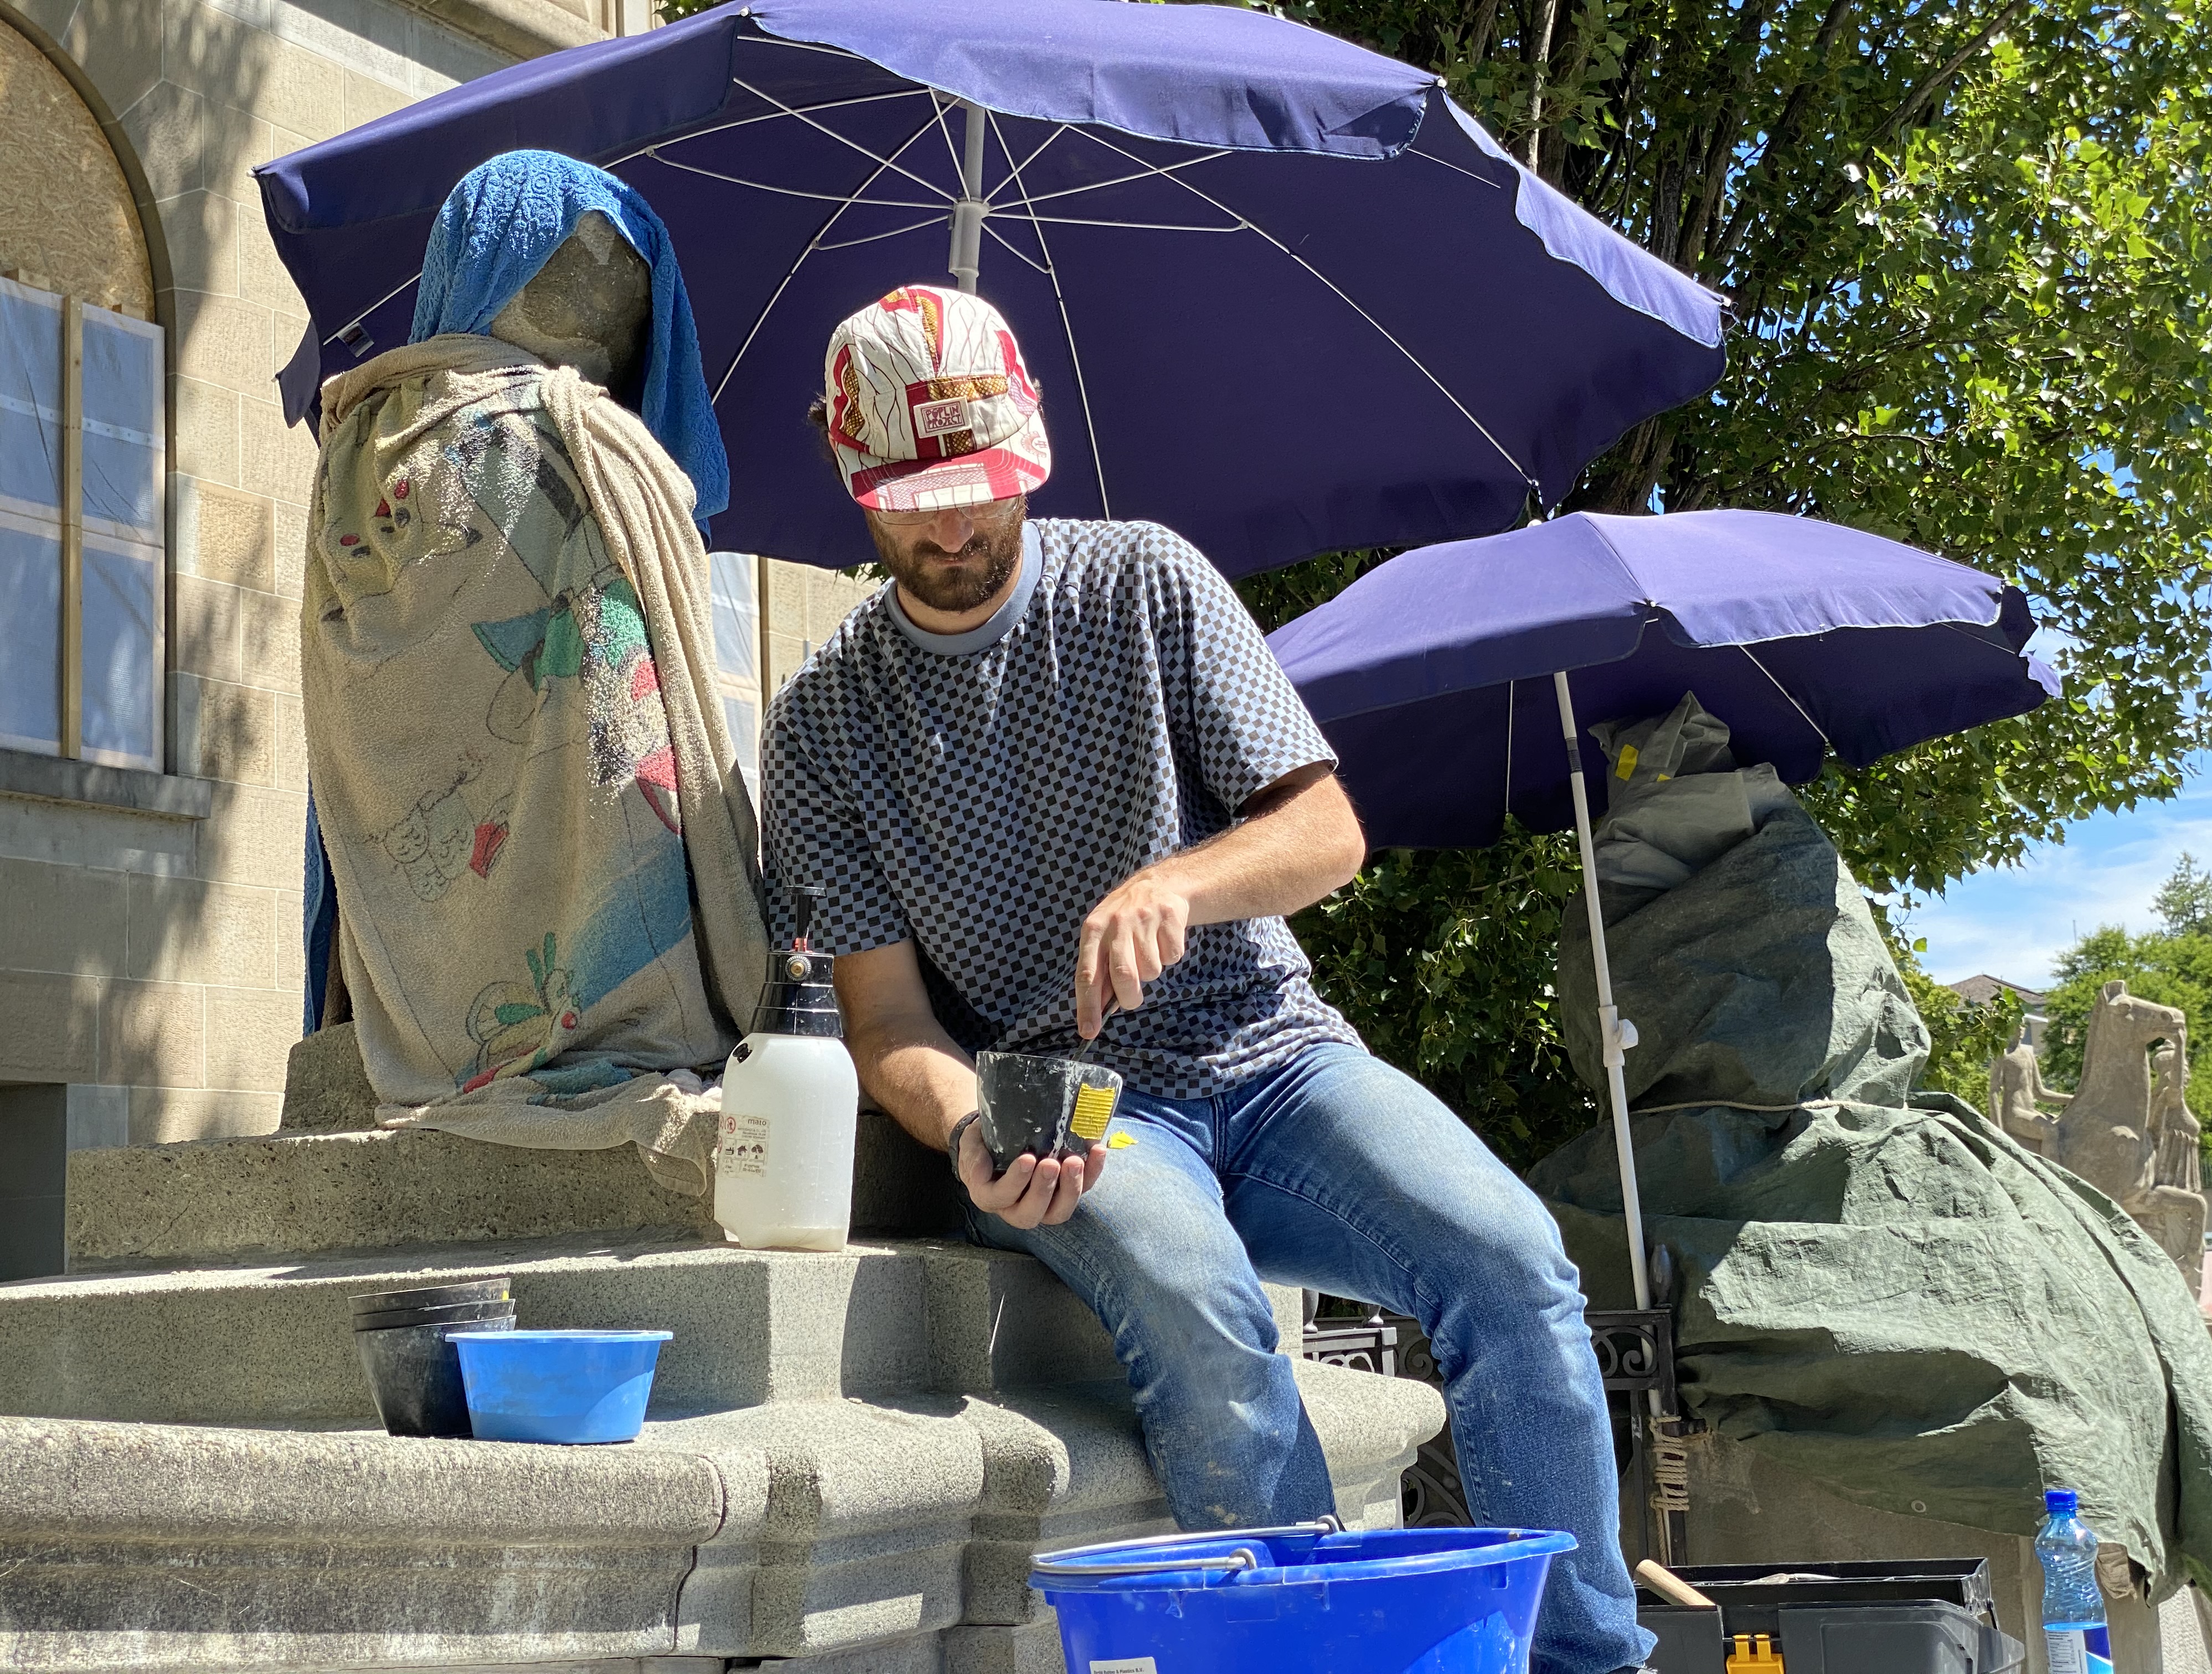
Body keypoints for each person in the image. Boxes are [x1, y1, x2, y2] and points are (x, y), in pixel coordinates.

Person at [762, 284, 1654, 1674]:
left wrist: (1179, 880)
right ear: (851, 479)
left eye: (978, 489)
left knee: (1517, 1261)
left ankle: (1592, 1661)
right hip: (1080, 1116)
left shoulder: (1149, 580)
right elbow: (888, 1022)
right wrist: (969, 1132)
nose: (950, 529)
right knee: (1200, 1311)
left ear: (1032, 451)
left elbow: (1327, 833)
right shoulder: (823, 725)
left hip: (1278, 1054)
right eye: (914, 499)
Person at [298, 151, 765, 1194]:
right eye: (573, 269)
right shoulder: (563, 433)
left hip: (403, 884)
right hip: (574, 857)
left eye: (624, 286)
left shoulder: (351, 444)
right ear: (490, 261)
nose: (600, 309)